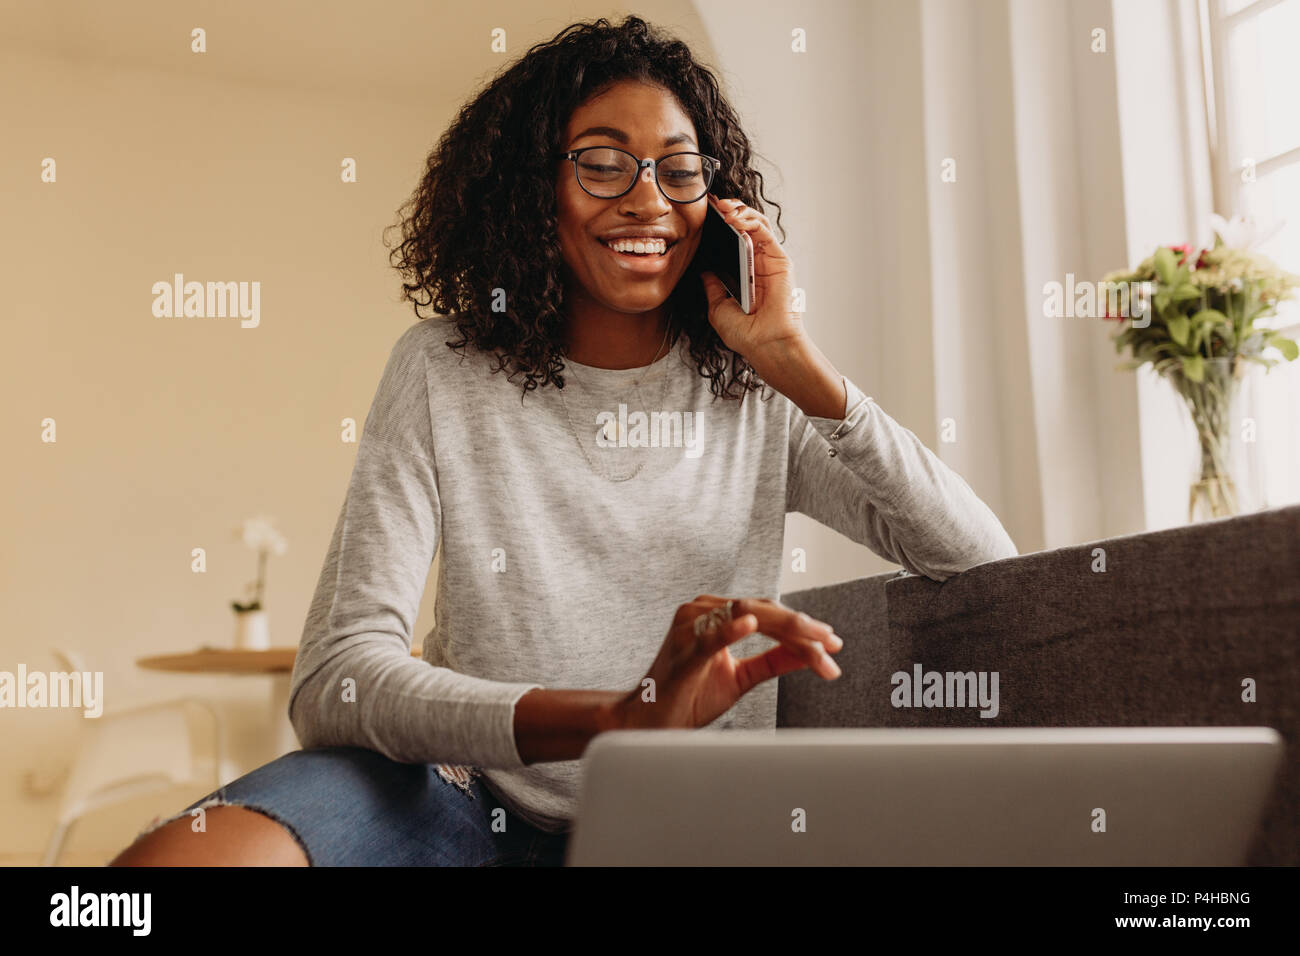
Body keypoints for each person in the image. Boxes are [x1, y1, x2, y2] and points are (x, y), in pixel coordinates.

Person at [111, 14, 1016, 867]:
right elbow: (337, 682)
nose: (647, 200)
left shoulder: (760, 393)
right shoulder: (444, 369)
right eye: (603, 164)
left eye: (678, 170)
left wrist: (797, 362)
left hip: (691, 817)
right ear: (530, 188)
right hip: (464, 796)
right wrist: (615, 718)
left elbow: (982, 564)